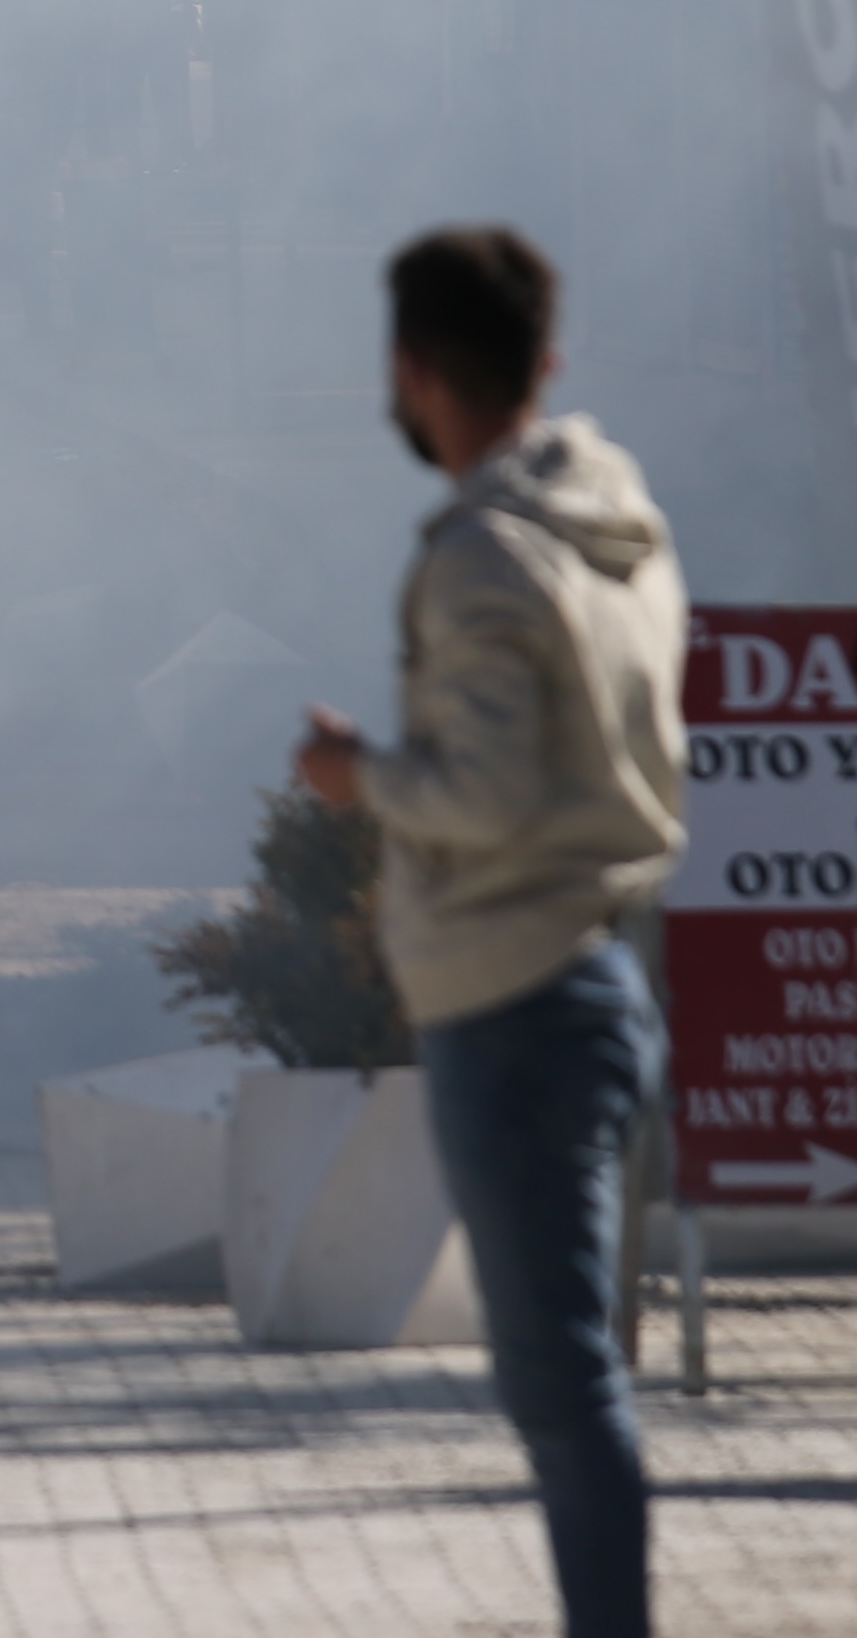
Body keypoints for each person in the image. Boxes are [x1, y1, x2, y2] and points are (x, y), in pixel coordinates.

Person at [291, 227, 686, 1638]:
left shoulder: (479, 559)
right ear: (547, 360)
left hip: (515, 1001)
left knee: (563, 1383)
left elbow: (489, 791)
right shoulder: (615, 516)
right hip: (600, 974)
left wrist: (358, 781)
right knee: (568, 1377)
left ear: (409, 369)